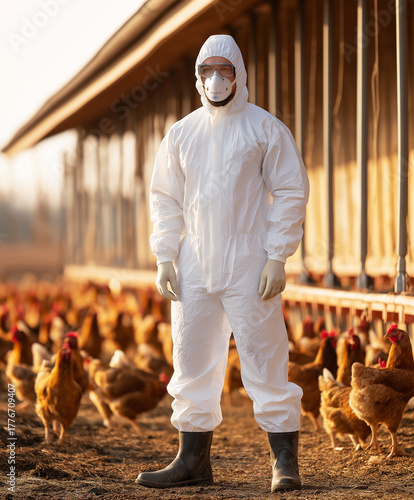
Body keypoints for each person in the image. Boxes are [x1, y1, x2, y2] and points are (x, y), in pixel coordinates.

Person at [136, 34, 309, 493]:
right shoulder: (181, 134)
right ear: (197, 78)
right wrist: (165, 255)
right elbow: (165, 198)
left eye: (225, 70)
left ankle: (284, 464)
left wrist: (277, 255)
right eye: (207, 71)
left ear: (239, 74)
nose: (216, 79)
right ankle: (192, 462)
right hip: (193, 264)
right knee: (191, 360)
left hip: (249, 261)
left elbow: (291, 190)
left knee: (265, 356)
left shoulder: (264, 128)